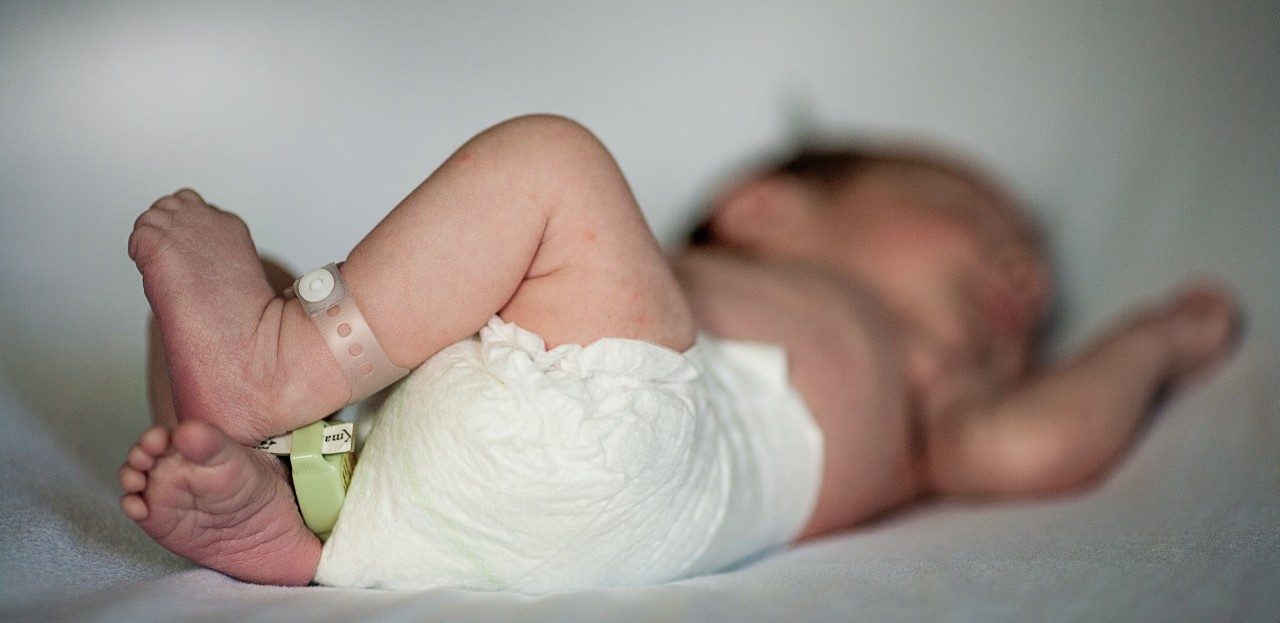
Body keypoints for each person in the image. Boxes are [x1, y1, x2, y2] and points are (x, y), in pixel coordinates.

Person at [118, 115, 1238, 589]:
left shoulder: (931, 379)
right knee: (262, 299)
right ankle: (285, 516)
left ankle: (275, 361)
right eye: (977, 226)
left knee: (551, 160)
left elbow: (1028, 442)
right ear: (764, 210)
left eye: (1033, 290)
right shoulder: (683, 276)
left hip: (653, 447)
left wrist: (1144, 344)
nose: (1025, 280)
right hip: (429, 466)